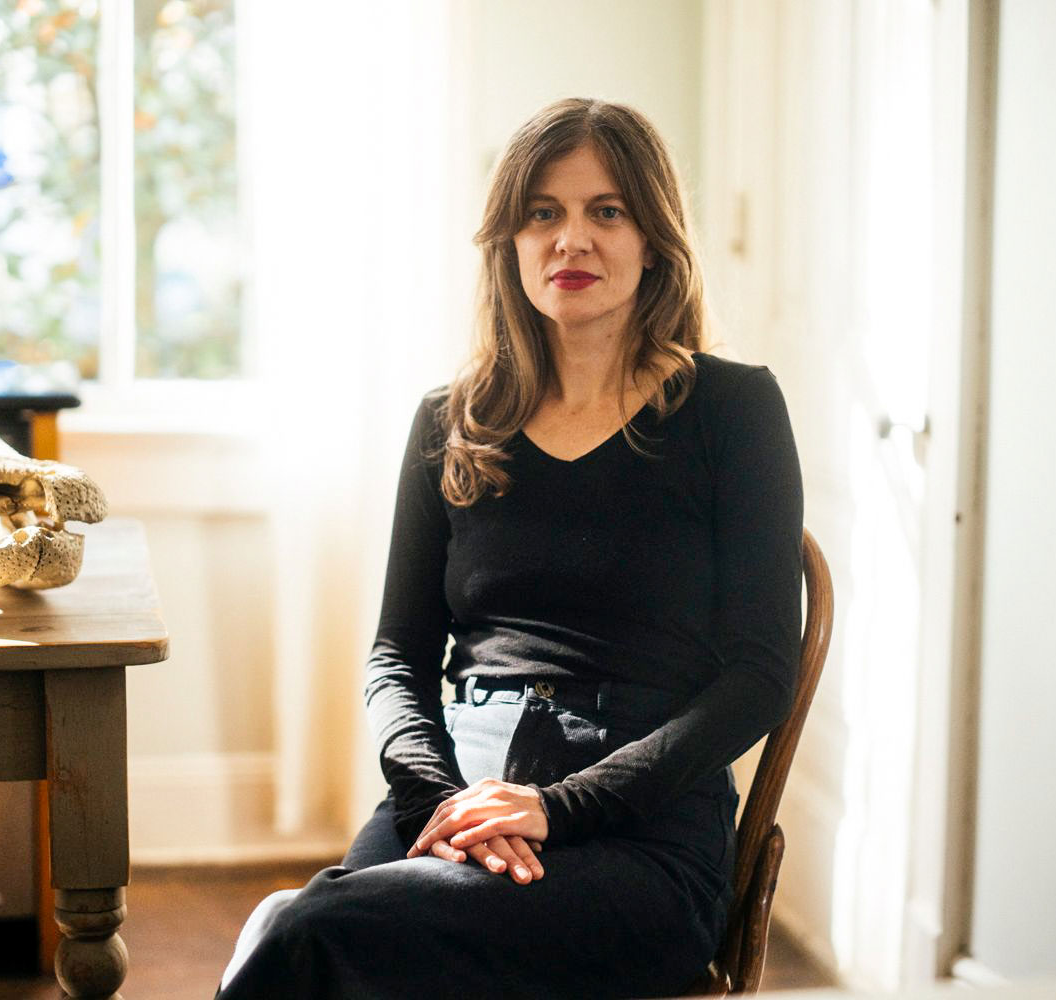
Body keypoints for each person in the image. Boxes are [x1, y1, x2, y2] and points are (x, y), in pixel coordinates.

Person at [217, 97, 803, 1000]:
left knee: (303, 930)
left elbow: (760, 674)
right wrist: (439, 801)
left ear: (654, 239)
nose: (571, 239)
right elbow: (396, 656)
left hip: (641, 827)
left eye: (607, 211)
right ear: (510, 242)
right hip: (459, 784)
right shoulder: (449, 422)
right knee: (321, 938)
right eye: (542, 213)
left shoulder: (733, 410)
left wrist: (555, 809)